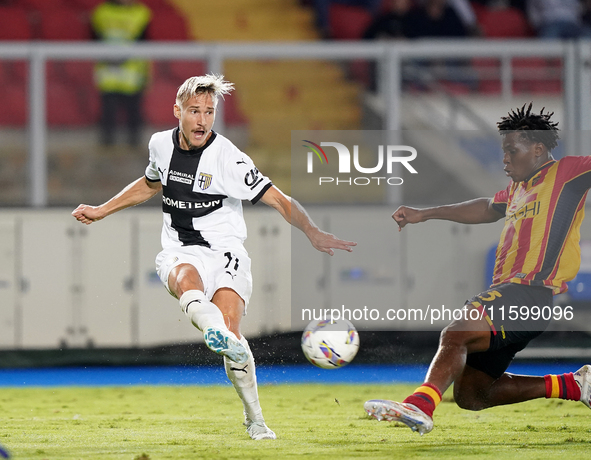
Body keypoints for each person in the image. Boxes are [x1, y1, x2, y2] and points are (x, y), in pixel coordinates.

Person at [72, 74, 356, 440]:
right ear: (177, 111)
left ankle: (254, 418)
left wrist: (312, 230)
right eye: (195, 111)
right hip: (179, 249)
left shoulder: (229, 159)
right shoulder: (160, 144)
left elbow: (280, 200)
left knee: (234, 338)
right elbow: (150, 183)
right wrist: (102, 209)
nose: (203, 120)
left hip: (226, 253)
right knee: (186, 279)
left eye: (209, 112)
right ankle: (214, 331)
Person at [365, 103, 591, 435]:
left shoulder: (568, 173)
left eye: (512, 151)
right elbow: (486, 207)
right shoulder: (518, 189)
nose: (505, 159)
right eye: (504, 152)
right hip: (517, 298)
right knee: (473, 394)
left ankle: (420, 405)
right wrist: (424, 213)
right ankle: (574, 385)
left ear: (539, 149)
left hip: (530, 293)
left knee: (456, 332)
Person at [91, 0, 152, 146]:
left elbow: (145, 43)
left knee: (134, 112)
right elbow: (93, 40)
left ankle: (135, 145)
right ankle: (107, 146)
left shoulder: (142, 13)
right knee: (108, 112)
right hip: (108, 72)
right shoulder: (101, 12)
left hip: (132, 73)